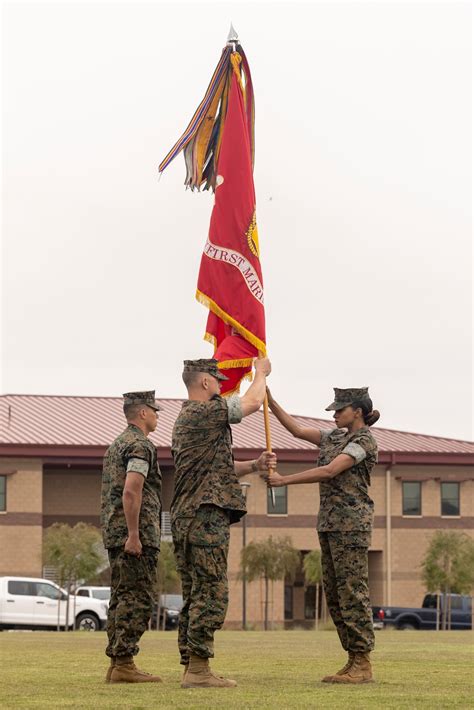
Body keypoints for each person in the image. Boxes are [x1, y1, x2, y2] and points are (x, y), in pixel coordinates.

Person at [171, 357, 275, 689]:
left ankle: (191, 665)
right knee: (211, 589)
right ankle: (199, 670)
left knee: (195, 591)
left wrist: (255, 465)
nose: (220, 384)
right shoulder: (203, 412)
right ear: (204, 382)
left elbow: (219, 466)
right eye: (216, 379)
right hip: (204, 515)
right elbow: (252, 402)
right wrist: (260, 374)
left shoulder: (189, 419)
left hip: (190, 514)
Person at [266, 387, 380, 684]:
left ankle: (363, 662)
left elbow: (330, 471)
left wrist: (283, 481)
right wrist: (270, 400)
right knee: (335, 592)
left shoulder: (363, 441)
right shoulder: (334, 437)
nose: (335, 413)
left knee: (352, 591)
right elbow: (295, 430)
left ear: (357, 411)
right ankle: (353, 658)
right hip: (329, 524)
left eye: (340, 409)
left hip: (351, 525)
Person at [101, 390, 163, 684]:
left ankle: (117, 663)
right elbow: (131, 490)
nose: (157, 415)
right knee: (137, 597)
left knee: (122, 595)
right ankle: (124, 663)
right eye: (154, 410)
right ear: (142, 413)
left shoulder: (117, 444)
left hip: (116, 532)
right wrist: (135, 534)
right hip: (134, 535)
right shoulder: (139, 445)